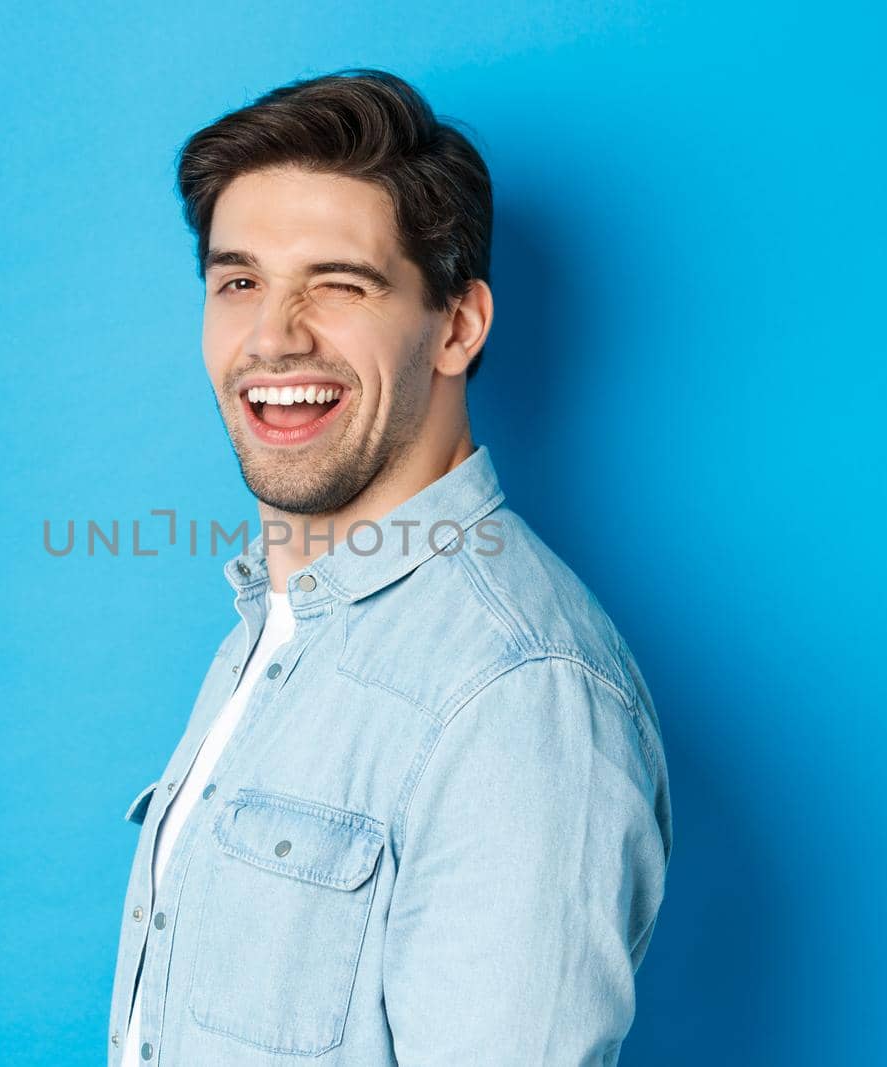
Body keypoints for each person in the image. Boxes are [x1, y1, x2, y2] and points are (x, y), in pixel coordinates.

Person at [108, 67, 672, 1066]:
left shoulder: (518, 694)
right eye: (239, 281)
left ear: (457, 324)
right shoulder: (274, 625)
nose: (272, 336)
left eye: (337, 283)